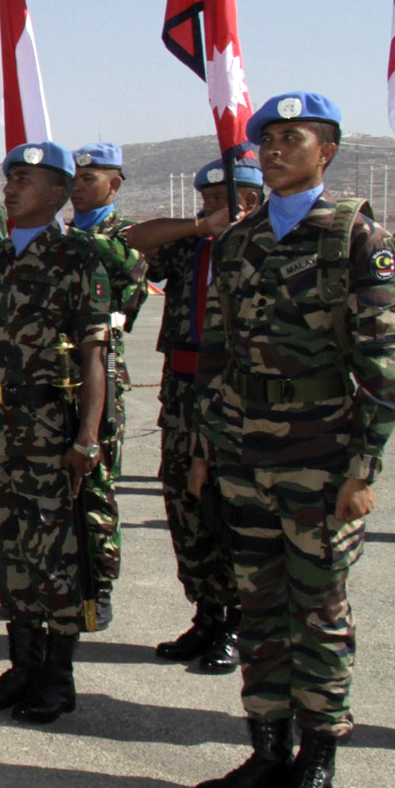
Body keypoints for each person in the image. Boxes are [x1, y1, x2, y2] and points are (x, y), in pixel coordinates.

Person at [190, 92, 395, 788]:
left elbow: (382, 365)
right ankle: (267, 750)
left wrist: (364, 469)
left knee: (318, 611)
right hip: (245, 450)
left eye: (293, 138)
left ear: (327, 152)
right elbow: (216, 352)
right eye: (268, 139)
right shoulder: (239, 241)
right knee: (258, 606)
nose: (275, 149)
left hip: (321, 453)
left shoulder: (356, 237)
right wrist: (207, 449)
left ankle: (316, 761)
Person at [0, 141, 111, 724]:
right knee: (6, 549)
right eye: (10, 178)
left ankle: (58, 675)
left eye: (25, 180)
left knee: (55, 551)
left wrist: (87, 438)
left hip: (48, 425)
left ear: (57, 193)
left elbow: (95, 355)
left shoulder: (78, 258)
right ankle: (22, 664)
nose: (11, 188)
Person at [124, 158, 265, 674]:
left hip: (238, 394)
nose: (209, 207)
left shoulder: (266, 247)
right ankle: (207, 613)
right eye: (204, 199)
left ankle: (240, 621)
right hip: (183, 389)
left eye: (219, 200)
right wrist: (199, 225)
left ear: (250, 201)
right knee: (185, 503)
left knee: (232, 507)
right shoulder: (192, 244)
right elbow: (133, 239)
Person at [67, 143, 149, 627]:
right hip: (54, 372)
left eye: (89, 179)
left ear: (114, 185)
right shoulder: (62, 234)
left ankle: (99, 584)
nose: (78, 187)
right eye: (74, 179)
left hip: (102, 371)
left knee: (95, 486)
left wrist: (84, 241)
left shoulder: (123, 236)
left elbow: (133, 282)